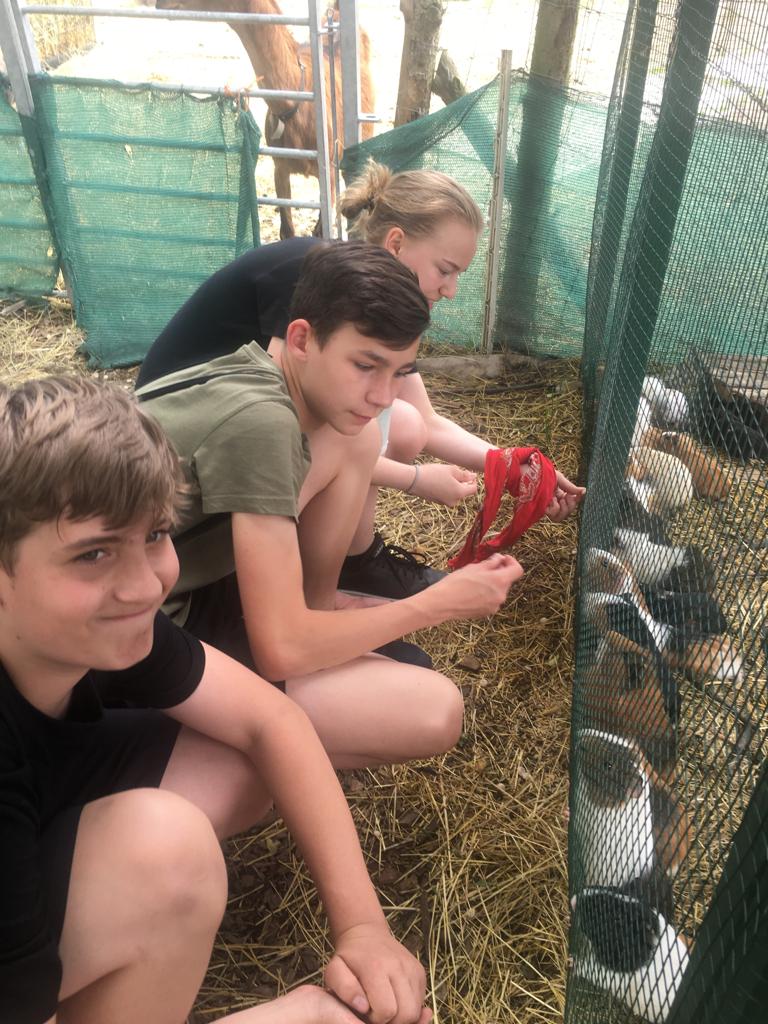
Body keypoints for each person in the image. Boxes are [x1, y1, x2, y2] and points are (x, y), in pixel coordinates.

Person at [0, 374, 433, 1024]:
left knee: (236, 764)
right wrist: (306, 1017)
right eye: (92, 554)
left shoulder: (102, 631)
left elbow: (271, 719)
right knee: (168, 850)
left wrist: (364, 929)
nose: (145, 586)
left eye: (155, 534)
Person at [137, 242, 523, 768]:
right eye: (366, 365)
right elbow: (281, 649)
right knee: (435, 710)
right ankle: (207, 751)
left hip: (195, 586)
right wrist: (438, 603)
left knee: (356, 441)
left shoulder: (258, 372)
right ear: (301, 338)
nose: (384, 396)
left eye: (399, 372)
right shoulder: (262, 424)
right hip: (146, 638)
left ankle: (315, 615)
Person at [136, 160, 585, 600]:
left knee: (402, 423)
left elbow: (426, 422)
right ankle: (257, 578)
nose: (450, 290)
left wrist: (510, 465)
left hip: (239, 431)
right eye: (445, 270)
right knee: (357, 428)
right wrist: (414, 479)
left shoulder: (374, 305)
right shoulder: (315, 276)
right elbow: (280, 429)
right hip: (176, 443)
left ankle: (353, 559)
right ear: (396, 243)